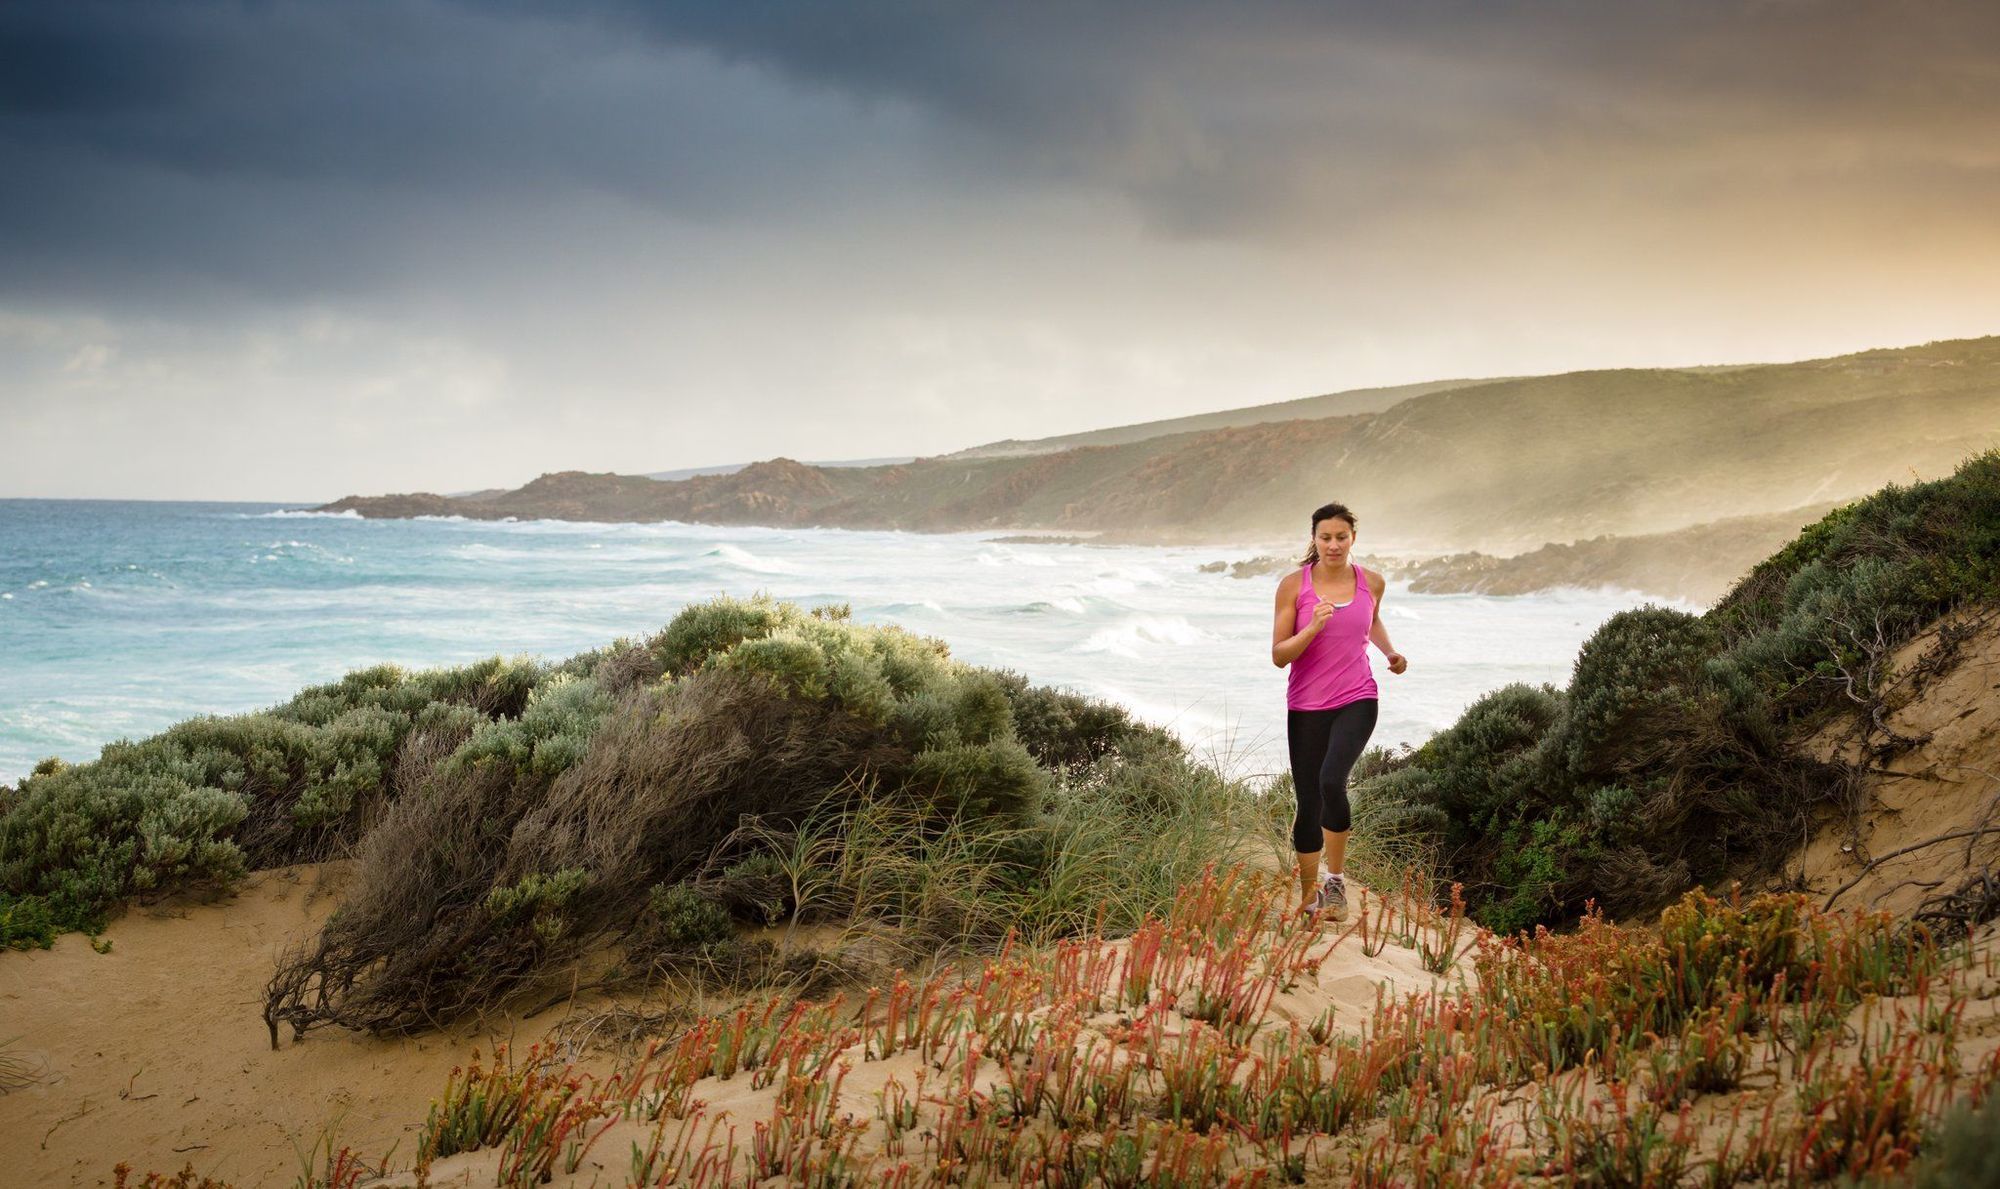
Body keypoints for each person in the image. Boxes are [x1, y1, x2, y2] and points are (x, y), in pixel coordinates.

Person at [1270, 502, 1407, 918]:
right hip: (1306, 704)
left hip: (1357, 698)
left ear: (1353, 539)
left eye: (1341, 537)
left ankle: (1336, 885)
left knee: (1333, 780)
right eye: (1325, 537)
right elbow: (1279, 655)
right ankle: (1309, 895)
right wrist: (1312, 627)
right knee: (1308, 801)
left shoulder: (1373, 582)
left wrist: (1390, 652)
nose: (1333, 544)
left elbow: (1372, 621)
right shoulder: (1294, 586)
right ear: (1313, 539)